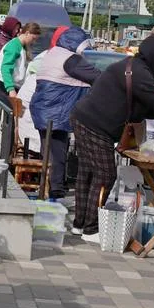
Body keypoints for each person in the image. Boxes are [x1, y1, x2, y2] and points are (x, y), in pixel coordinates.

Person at [70, 36, 154, 243]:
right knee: (105, 174)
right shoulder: (139, 72)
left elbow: (150, 107)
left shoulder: (136, 67)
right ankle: (90, 228)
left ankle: (80, 224)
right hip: (94, 124)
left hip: (86, 119)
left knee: (88, 172)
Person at [31, 26, 99, 200]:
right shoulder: (71, 59)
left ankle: (48, 187)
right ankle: (56, 190)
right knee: (58, 152)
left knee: (49, 151)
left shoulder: (54, 53)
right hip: (56, 112)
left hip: (44, 109)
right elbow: (96, 76)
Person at [0, 22, 42, 149]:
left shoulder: (19, 46)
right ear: (27, 33)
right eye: (33, 38)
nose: (33, 42)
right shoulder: (14, 46)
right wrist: (11, 89)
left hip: (6, 87)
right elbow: (6, 68)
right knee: (7, 121)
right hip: (3, 87)